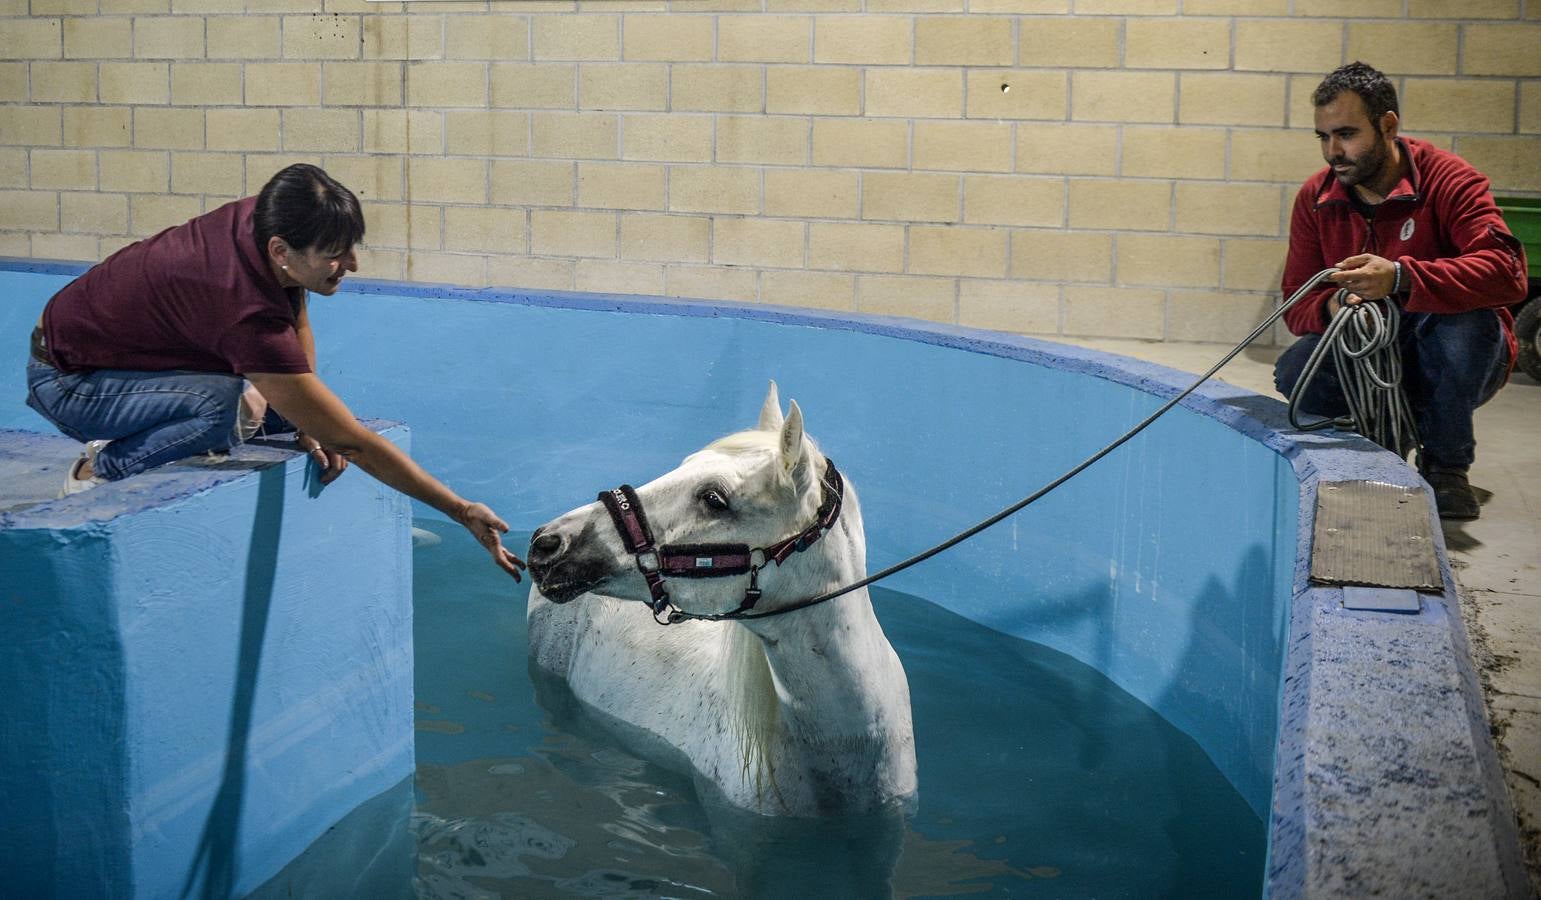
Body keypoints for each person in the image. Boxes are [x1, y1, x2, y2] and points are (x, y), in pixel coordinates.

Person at [26, 163, 526, 578]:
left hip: (118, 359)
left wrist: (309, 421)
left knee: (292, 416)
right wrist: (461, 510)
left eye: (351, 249)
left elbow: (297, 313)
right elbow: (351, 442)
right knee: (218, 410)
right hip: (70, 383)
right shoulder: (241, 308)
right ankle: (97, 470)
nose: (350, 265)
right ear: (282, 252)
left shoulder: (266, 220)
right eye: (334, 256)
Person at [1274, 62, 1528, 520]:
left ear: (1388, 125)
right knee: (1295, 371)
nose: (1333, 151)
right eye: (1323, 137)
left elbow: (1506, 273)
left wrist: (1400, 278)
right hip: (1369, 354)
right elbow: (1296, 301)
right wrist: (1335, 304)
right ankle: (1369, 440)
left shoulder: (1450, 180)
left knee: (1467, 325)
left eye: (1347, 134)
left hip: (1450, 352)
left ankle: (1446, 465)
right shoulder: (1316, 198)